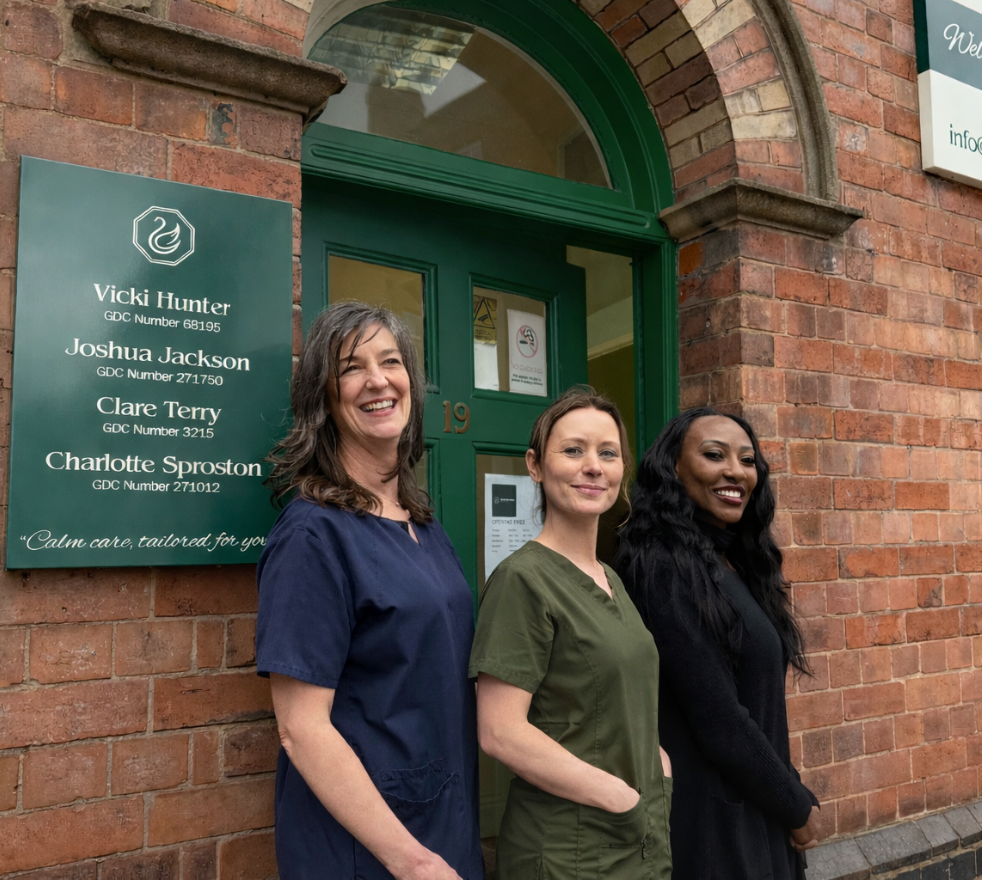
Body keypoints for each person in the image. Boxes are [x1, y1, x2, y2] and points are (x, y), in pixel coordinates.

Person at [255, 302, 484, 880]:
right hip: (371, 852)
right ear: (325, 399)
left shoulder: (422, 524)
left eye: (391, 361)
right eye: (352, 367)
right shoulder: (313, 534)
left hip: (443, 824)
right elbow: (301, 729)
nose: (378, 380)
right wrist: (412, 862)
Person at [469, 387, 672, 880]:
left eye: (608, 453)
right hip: (568, 851)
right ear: (535, 466)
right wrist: (620, 798)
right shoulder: (523, 578)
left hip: (640, 841)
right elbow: (500, 732)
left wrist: (659, 772)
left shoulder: (611, 579)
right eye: (573, 450)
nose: (593, 466)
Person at [614, 408, 821, 880]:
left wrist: (788, 797)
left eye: (747, 460)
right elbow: (718, 718)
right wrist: (795, 806)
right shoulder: (662, 567)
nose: (735, 471)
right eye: (714, 455)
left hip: (753, 810)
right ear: (673, 469)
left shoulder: (730, 563)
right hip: (713, 830)